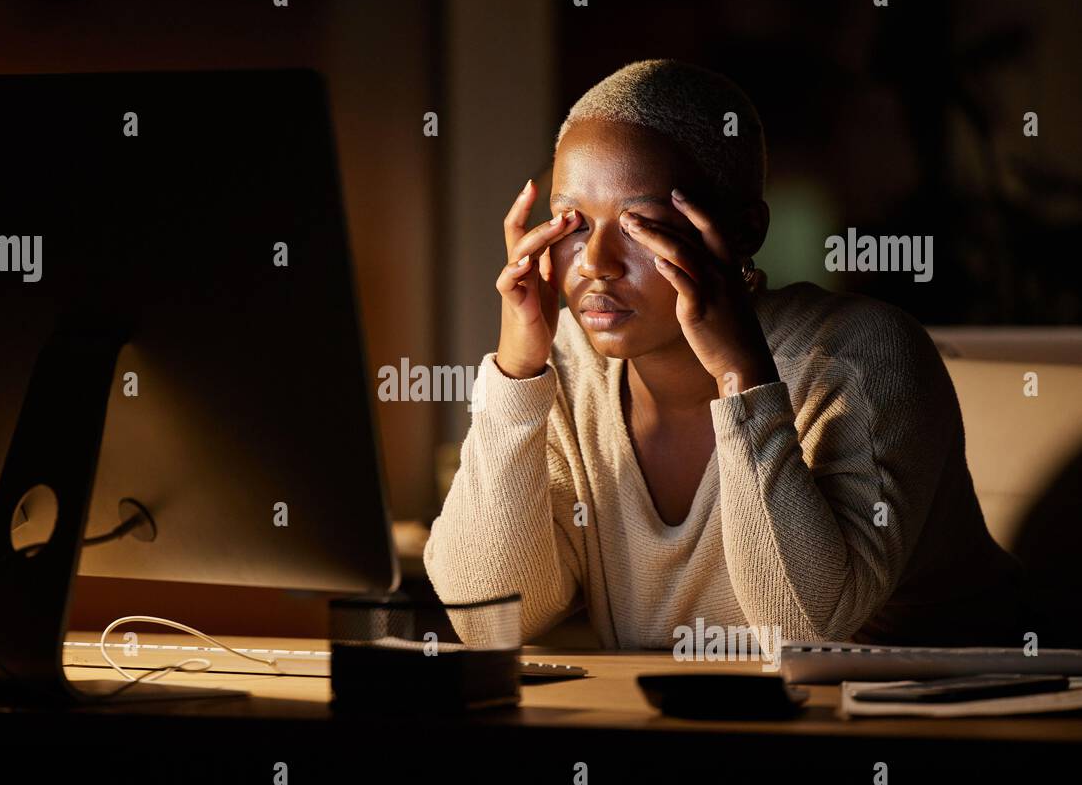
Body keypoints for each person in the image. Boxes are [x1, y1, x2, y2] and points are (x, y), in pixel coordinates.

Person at [424, 59, 1024, 649]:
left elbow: (803, 630)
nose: (594, 264)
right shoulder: (566, 366)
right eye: (570, 222)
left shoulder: (861, 355)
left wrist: (741, 376)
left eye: (641, 224)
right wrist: (518, 374)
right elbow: (488, 618)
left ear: (745, 231)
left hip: (947, 722)